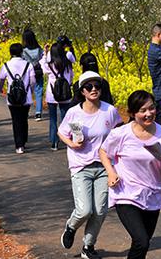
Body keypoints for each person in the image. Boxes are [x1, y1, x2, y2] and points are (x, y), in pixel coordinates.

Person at [100, 90, 161, 259]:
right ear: (132, 113)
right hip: (126, 194)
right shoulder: (121, 134)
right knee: (142, 241)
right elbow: (103, 151)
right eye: (143, 110)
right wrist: (110, 172)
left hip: (151, 195)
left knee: (141, 245)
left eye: (151, 108)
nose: (148, 114)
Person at [58, 71, 122, 259]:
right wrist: (71, 144)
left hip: (103, 166)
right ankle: (71, 226)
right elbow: (62, 132)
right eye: (89, 87)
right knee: (85, 210)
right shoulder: (73, 113)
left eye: (97, 86)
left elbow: (119, 131)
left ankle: (88, 247)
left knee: (100, 210)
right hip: (81, 166)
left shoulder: (109, 111)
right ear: (82, 91)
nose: (94, 89)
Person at [0, 43, 36, 154]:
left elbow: (1, 79)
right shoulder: (28, 65)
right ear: (21, 52)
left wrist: (0, 90)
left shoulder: (6, 65)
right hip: (25, 97)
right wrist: (30, 91)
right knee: (24, 118)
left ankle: (19, 145)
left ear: (10, 53)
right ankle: (23, 141)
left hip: (12, 97)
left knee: (16, 120)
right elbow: (33, 81)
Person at [41, 42, 75, 150]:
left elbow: (42, 65)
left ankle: (54, 142)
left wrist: (45, 53)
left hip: (52, 94)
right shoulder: (68, 64)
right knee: (66, 117)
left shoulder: (49, 65)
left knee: (53, 118)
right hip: (65, 94)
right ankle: (67, 139)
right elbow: (71, 78)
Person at [22, 29, 44, 121]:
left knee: (27, 92)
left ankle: (26, 112)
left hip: (28, 73)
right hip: (38, 72)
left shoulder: (23, 51)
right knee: (39, 91)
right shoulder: (39, 49)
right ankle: (38, 113)